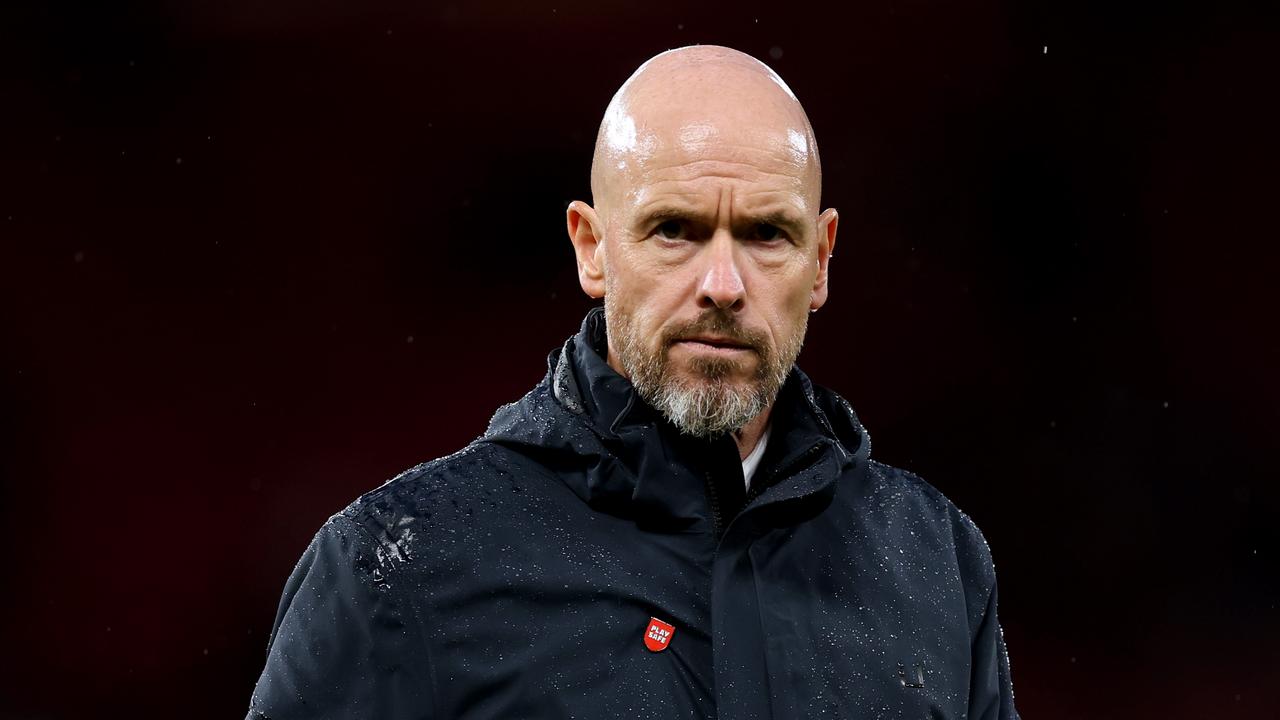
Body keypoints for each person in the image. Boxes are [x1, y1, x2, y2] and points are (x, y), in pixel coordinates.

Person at [245, 45, 1020, 720]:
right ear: (592, 248)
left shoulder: (935, 561)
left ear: (820, 261)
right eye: (674, 229)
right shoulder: (395, 568)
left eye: (766, 235)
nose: (723, 283)